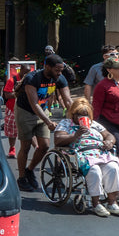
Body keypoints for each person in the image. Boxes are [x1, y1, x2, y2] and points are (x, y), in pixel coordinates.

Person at [53, 98, 119, 217]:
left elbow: (109, 135)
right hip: (82, 153)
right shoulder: (65, 123)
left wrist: (109, 142)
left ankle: (112, 203)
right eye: (79, 115)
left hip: (100, 152)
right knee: (94, 170)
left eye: (86, 115)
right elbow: (58, 139)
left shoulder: (94, 124)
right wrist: (75, 135)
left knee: (113, 167)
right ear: (73, 114)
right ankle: (96, 203)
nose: (83, 118)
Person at [15, 54, 73, 191]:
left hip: (43, 109)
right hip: (26, 111)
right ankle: (22, 177)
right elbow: (34, 104)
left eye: (61, 70)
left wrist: (77, 117)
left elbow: (68, 100)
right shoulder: (32, 79)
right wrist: (48, 122)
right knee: (26, 146)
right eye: (57, 70)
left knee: (45, 146)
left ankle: (30, 170)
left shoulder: (59, 78)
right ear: (47, 67)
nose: (59, 73)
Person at [2, 63, 32, 159]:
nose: (26, 75)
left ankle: (36, 147)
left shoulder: (30, 80)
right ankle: (12, 148)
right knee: (12, 130)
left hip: (26, 108)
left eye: (28, 73)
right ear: (21, 70)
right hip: (12, 109)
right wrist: (19, 93)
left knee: (30, 129)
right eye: (25, 72)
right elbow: (7, 95)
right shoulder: (12, 80)